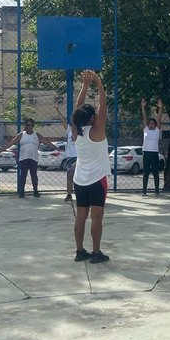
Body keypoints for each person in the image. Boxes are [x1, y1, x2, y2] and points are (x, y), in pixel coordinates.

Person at [71, 70, 110, 263]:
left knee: (81, 217)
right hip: (97, 180)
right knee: (96, 218)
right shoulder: (97, 129)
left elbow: (78, 107)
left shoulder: (76, 130)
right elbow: (103, 104)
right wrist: (98, 82)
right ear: (92, 118)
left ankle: (79, 251)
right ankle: (96, 253)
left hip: (80, 181)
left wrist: (85, 85)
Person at [3, 118, 57, 198]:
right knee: (23, 175)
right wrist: (1, 150)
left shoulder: (36, 135)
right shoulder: (21, 135)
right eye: (28, 125)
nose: (29, 127)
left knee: (34, 175)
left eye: (31, 125)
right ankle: (21, 192)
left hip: (33, 158)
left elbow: (47, 142)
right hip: (24, 158)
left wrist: (57, 148)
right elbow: (11, 142)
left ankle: (35, 191)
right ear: (25, 126)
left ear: (33, 126)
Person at [55, 102, 78, 203]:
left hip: (78, 157)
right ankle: (69, 194)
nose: (73, 125)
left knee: (76, 176)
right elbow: (63, 121)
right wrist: (57, 111)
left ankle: (80, 193)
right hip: (70, 157)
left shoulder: (82, 132)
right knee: (70, 176)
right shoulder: (69, 130)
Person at [140, 98, 164, 196]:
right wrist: (143, 107)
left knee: (155, 172)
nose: (151, 125)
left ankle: (156, 191)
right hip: (146, 153)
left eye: (153, 124)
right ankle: (144, 191)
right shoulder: (146, 130)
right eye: (149, 124)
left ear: (155, 125)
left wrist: (160, 108)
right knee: (146, 173)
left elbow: (159, 118)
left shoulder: (157, 131)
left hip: (154, 153)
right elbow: (144, 118)